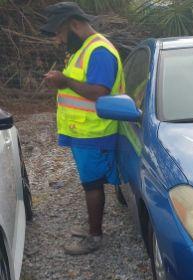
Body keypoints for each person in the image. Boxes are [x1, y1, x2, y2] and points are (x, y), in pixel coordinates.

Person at [41, 2, 124, 255]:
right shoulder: (84, 49)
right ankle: (93, 227)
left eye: (59, 33)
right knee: (90, 183)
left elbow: (99, 91)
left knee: (92, 184)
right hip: (84, 131)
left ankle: (95, 237)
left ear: (74, 25)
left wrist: (64, 80)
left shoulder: (98, 51)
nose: (58, 41)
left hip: (94, 132)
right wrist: (61, 82)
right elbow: (80, 85)